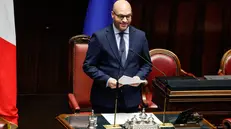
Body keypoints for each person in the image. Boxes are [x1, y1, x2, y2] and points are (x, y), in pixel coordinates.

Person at [83, 0, 152, 113]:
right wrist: (107, 80)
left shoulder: (140, 36)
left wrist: (138, 77)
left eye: (128, 16)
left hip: (131, 100)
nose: (125, 20)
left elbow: (147, 64)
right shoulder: (99, 37)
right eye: (121, 16)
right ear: (112, 15)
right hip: (105, 100)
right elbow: (88, 66)